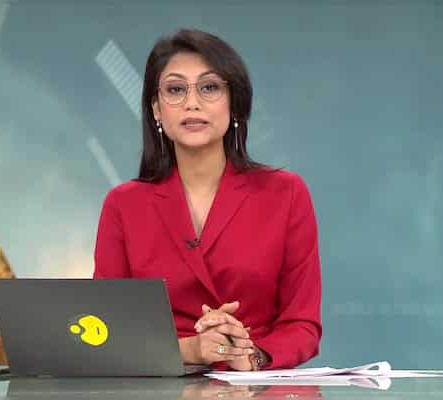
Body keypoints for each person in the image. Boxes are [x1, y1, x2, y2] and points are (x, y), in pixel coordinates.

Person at [93, 29, 321, 371]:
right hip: (161, 387)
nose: (192, 102)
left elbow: (302, 325)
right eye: (175, 90)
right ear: (156, 110)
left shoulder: (286, 193)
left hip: (257, 385)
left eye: (209, 87)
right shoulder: (123, 205)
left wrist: (251, 356)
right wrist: (191, 350)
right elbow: (104, 329)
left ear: (235, 104)